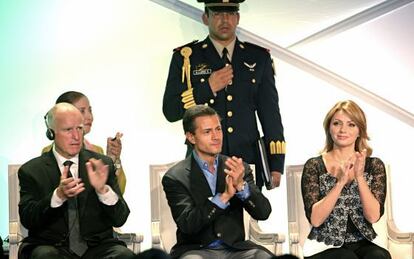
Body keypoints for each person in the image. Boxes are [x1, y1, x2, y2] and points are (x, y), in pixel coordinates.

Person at [162, 0, 285, 189]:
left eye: (230, 13)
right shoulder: (187, 57)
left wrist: (276, 165)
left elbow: (270, 115)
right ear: (205, 18)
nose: (224, 19)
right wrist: (208, 87)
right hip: (203, 163)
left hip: (246, 161)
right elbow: (171, 110)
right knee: (204, 217)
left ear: (237, 18)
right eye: (218, 13)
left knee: (247, 218)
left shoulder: (258, 57)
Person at [18, 103, 134, 259]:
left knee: (123, 256)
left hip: (97, 248)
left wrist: (103, 191)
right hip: (52, 246)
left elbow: (120, 218)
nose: (76, 136)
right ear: (51, 133)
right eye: (68, 130)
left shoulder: (101, 164)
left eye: (79, 128)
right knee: (45, 256)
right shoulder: (32, 170)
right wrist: (58, 196)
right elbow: (28, 219)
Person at [162, 104, 276, 259]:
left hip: (236, 249)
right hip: (197, 250)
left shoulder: (237, 167)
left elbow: (263, 213)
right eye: (207, 132)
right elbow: (188, 224)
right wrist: (224, 197)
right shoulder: (176, 177)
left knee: (263, 257)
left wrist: (241, 186)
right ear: (191, 137)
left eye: (218, 129)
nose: (216, 137)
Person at [300, 100, 391, 259]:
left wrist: (360, 177)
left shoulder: (374, 165)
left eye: (351, 125)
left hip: (364, 242)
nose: (343, 130)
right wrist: (340, 182)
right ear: (329, 128)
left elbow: (373, 217)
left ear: (360, 131)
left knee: (377, 256)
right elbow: (315, 220)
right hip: (324, 245)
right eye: (337, 123)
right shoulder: (314, 166)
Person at [42, 91, 126, 194]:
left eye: (90, 110)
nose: (89, 117)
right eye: (82, 111)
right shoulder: (49, 152)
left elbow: (118, 194)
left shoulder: (97, 150)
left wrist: (113, 159)